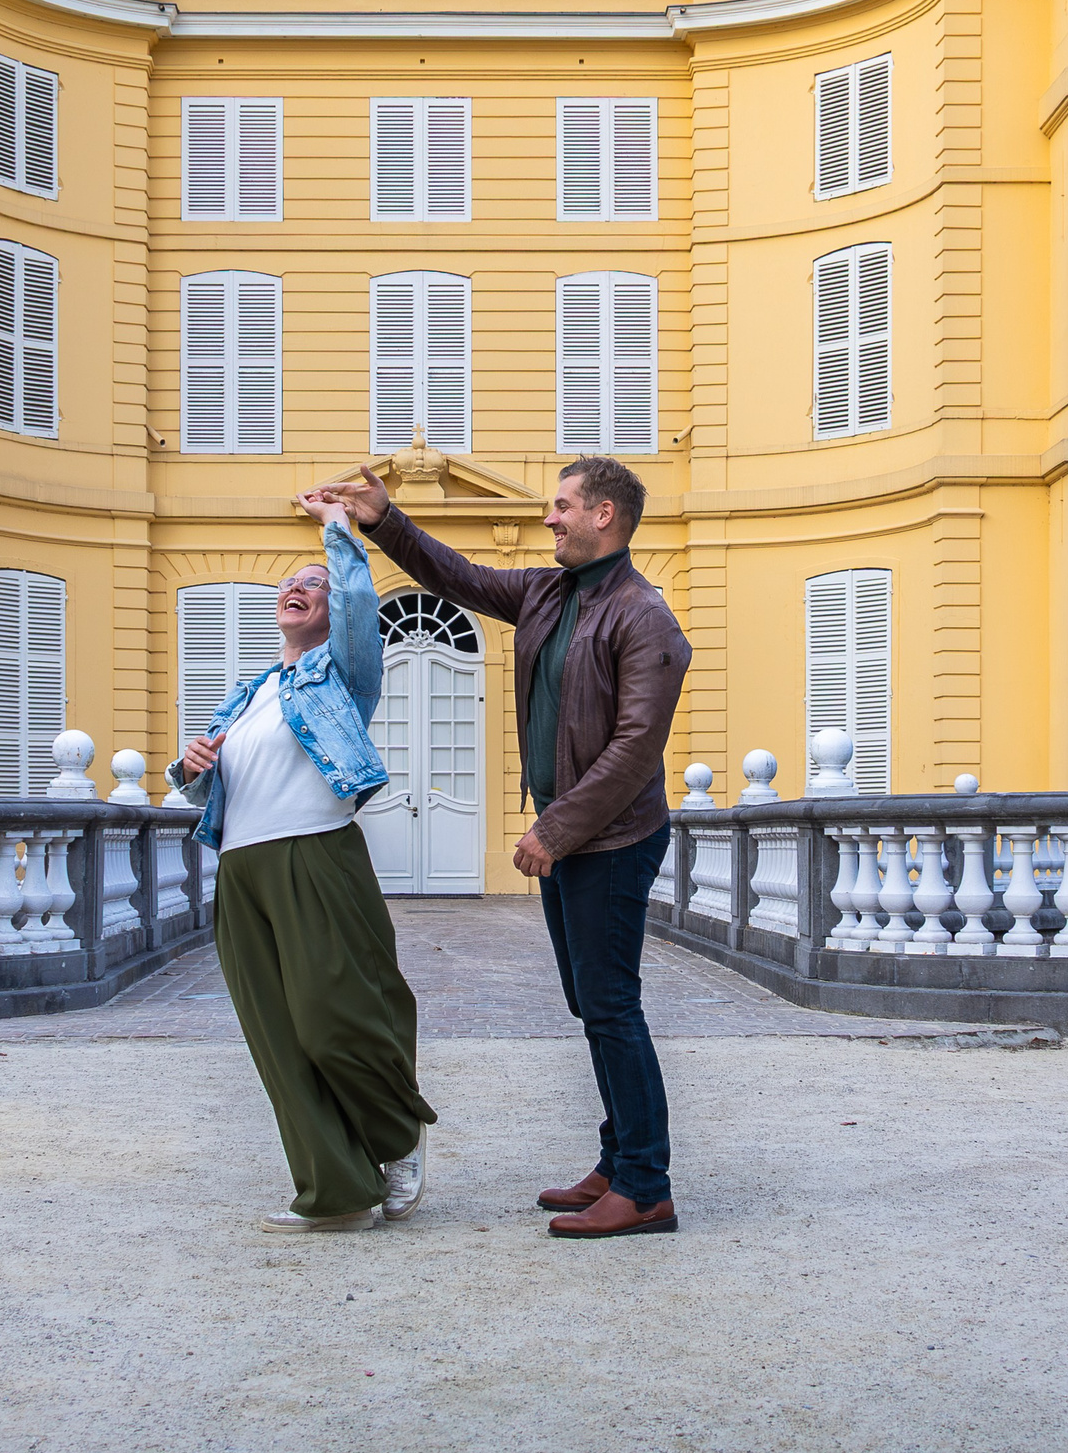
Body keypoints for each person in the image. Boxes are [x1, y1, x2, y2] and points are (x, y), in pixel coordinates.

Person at [330, 455, 690, 1238]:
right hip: (574, 837)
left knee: (611, 1006)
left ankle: (646, 1184)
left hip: (613, 840)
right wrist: (384, 519)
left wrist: (552, 831)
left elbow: (634, 750)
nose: (550, 518)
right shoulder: (547, 592)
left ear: (605, 515)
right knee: (592, 1005)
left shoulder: (644, 617)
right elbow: (455, 575)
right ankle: (619, 1156)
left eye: (562, 506)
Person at [168, 491, 438, 1233]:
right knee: (279, 1041)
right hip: (242, 870)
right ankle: (338, 1191)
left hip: (315, 856)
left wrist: (336, 533)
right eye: (290, 582)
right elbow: (206, 783)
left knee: (331, 1019)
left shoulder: (341, 675)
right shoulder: (250, 693)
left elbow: (356, 600)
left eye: (312, 582)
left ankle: (394, 1137)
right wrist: (191, 768)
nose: (299, 587)